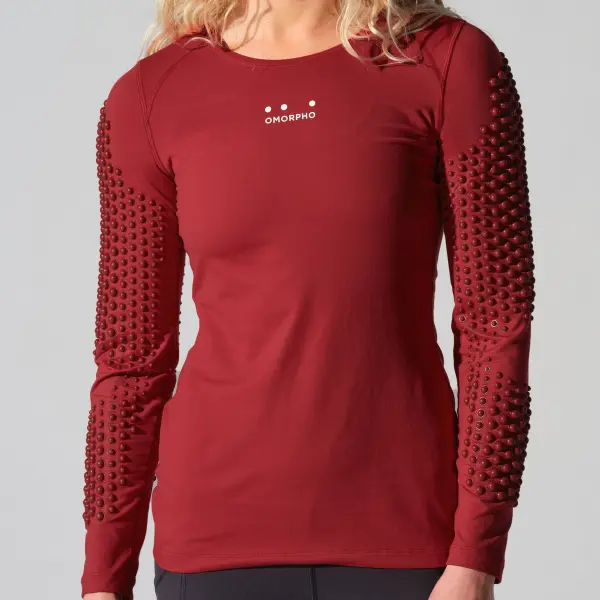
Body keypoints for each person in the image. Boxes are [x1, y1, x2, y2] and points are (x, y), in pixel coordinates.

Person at [80, 0, 534, 599]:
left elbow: (495, 323)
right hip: (212, 546)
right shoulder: (149, 97)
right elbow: (131, 360)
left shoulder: (446, 61)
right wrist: (103, 580)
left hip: (405, 541)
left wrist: (477, 553)